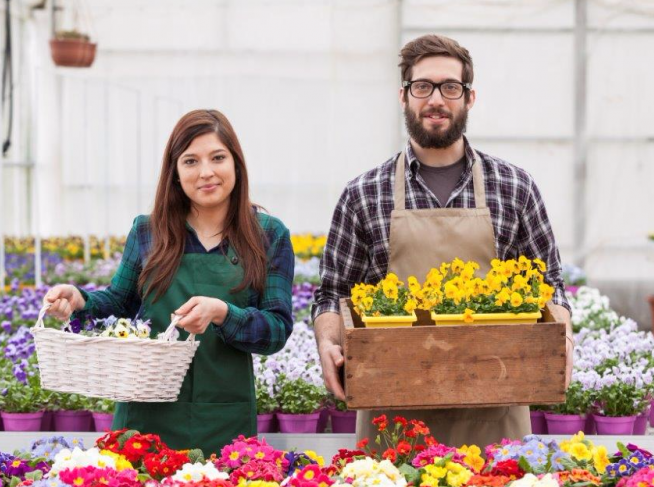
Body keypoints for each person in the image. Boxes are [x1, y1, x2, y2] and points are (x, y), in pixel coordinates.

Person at [312, 34, 574, 449]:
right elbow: (333, 293)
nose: (436, 99)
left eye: (451, 87)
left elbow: (551, 279)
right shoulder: (364, 193)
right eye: (423, 87)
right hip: (393, 419)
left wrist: (561, 333)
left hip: (495, 414)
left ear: (469, 98)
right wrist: (328, 342)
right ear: (404, 96)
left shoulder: (514, 187)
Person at [43, 109, 294, 456]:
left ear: (236, 163)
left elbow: (276, 329)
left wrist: (223, 313)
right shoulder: (148, 231)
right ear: (175, 172)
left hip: (224, 418)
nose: (206, 172)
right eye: (190, 161)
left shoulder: (267, 235)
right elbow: (119, 303)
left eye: (217, 158)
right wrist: (79, 300)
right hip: (145, 420)